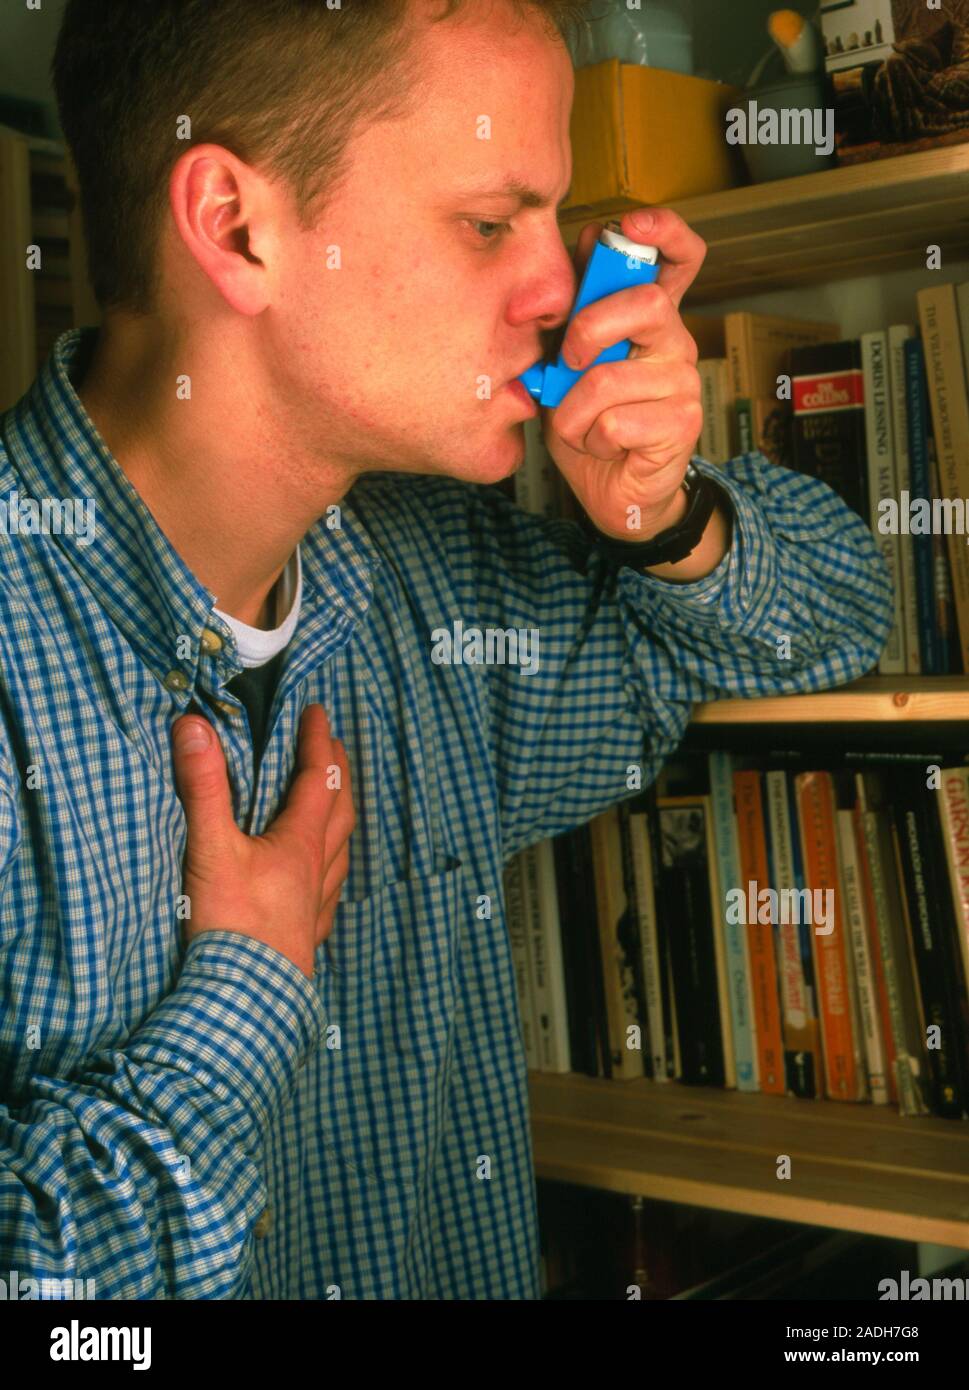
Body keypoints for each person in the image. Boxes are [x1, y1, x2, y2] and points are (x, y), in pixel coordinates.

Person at [0, 0, 890, 1299]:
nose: (560, 288)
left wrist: (661, 516)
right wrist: (241, 993)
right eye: (489, 222)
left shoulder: (435, 586)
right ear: (236, 228)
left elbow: (824, 628)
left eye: (554, 218)